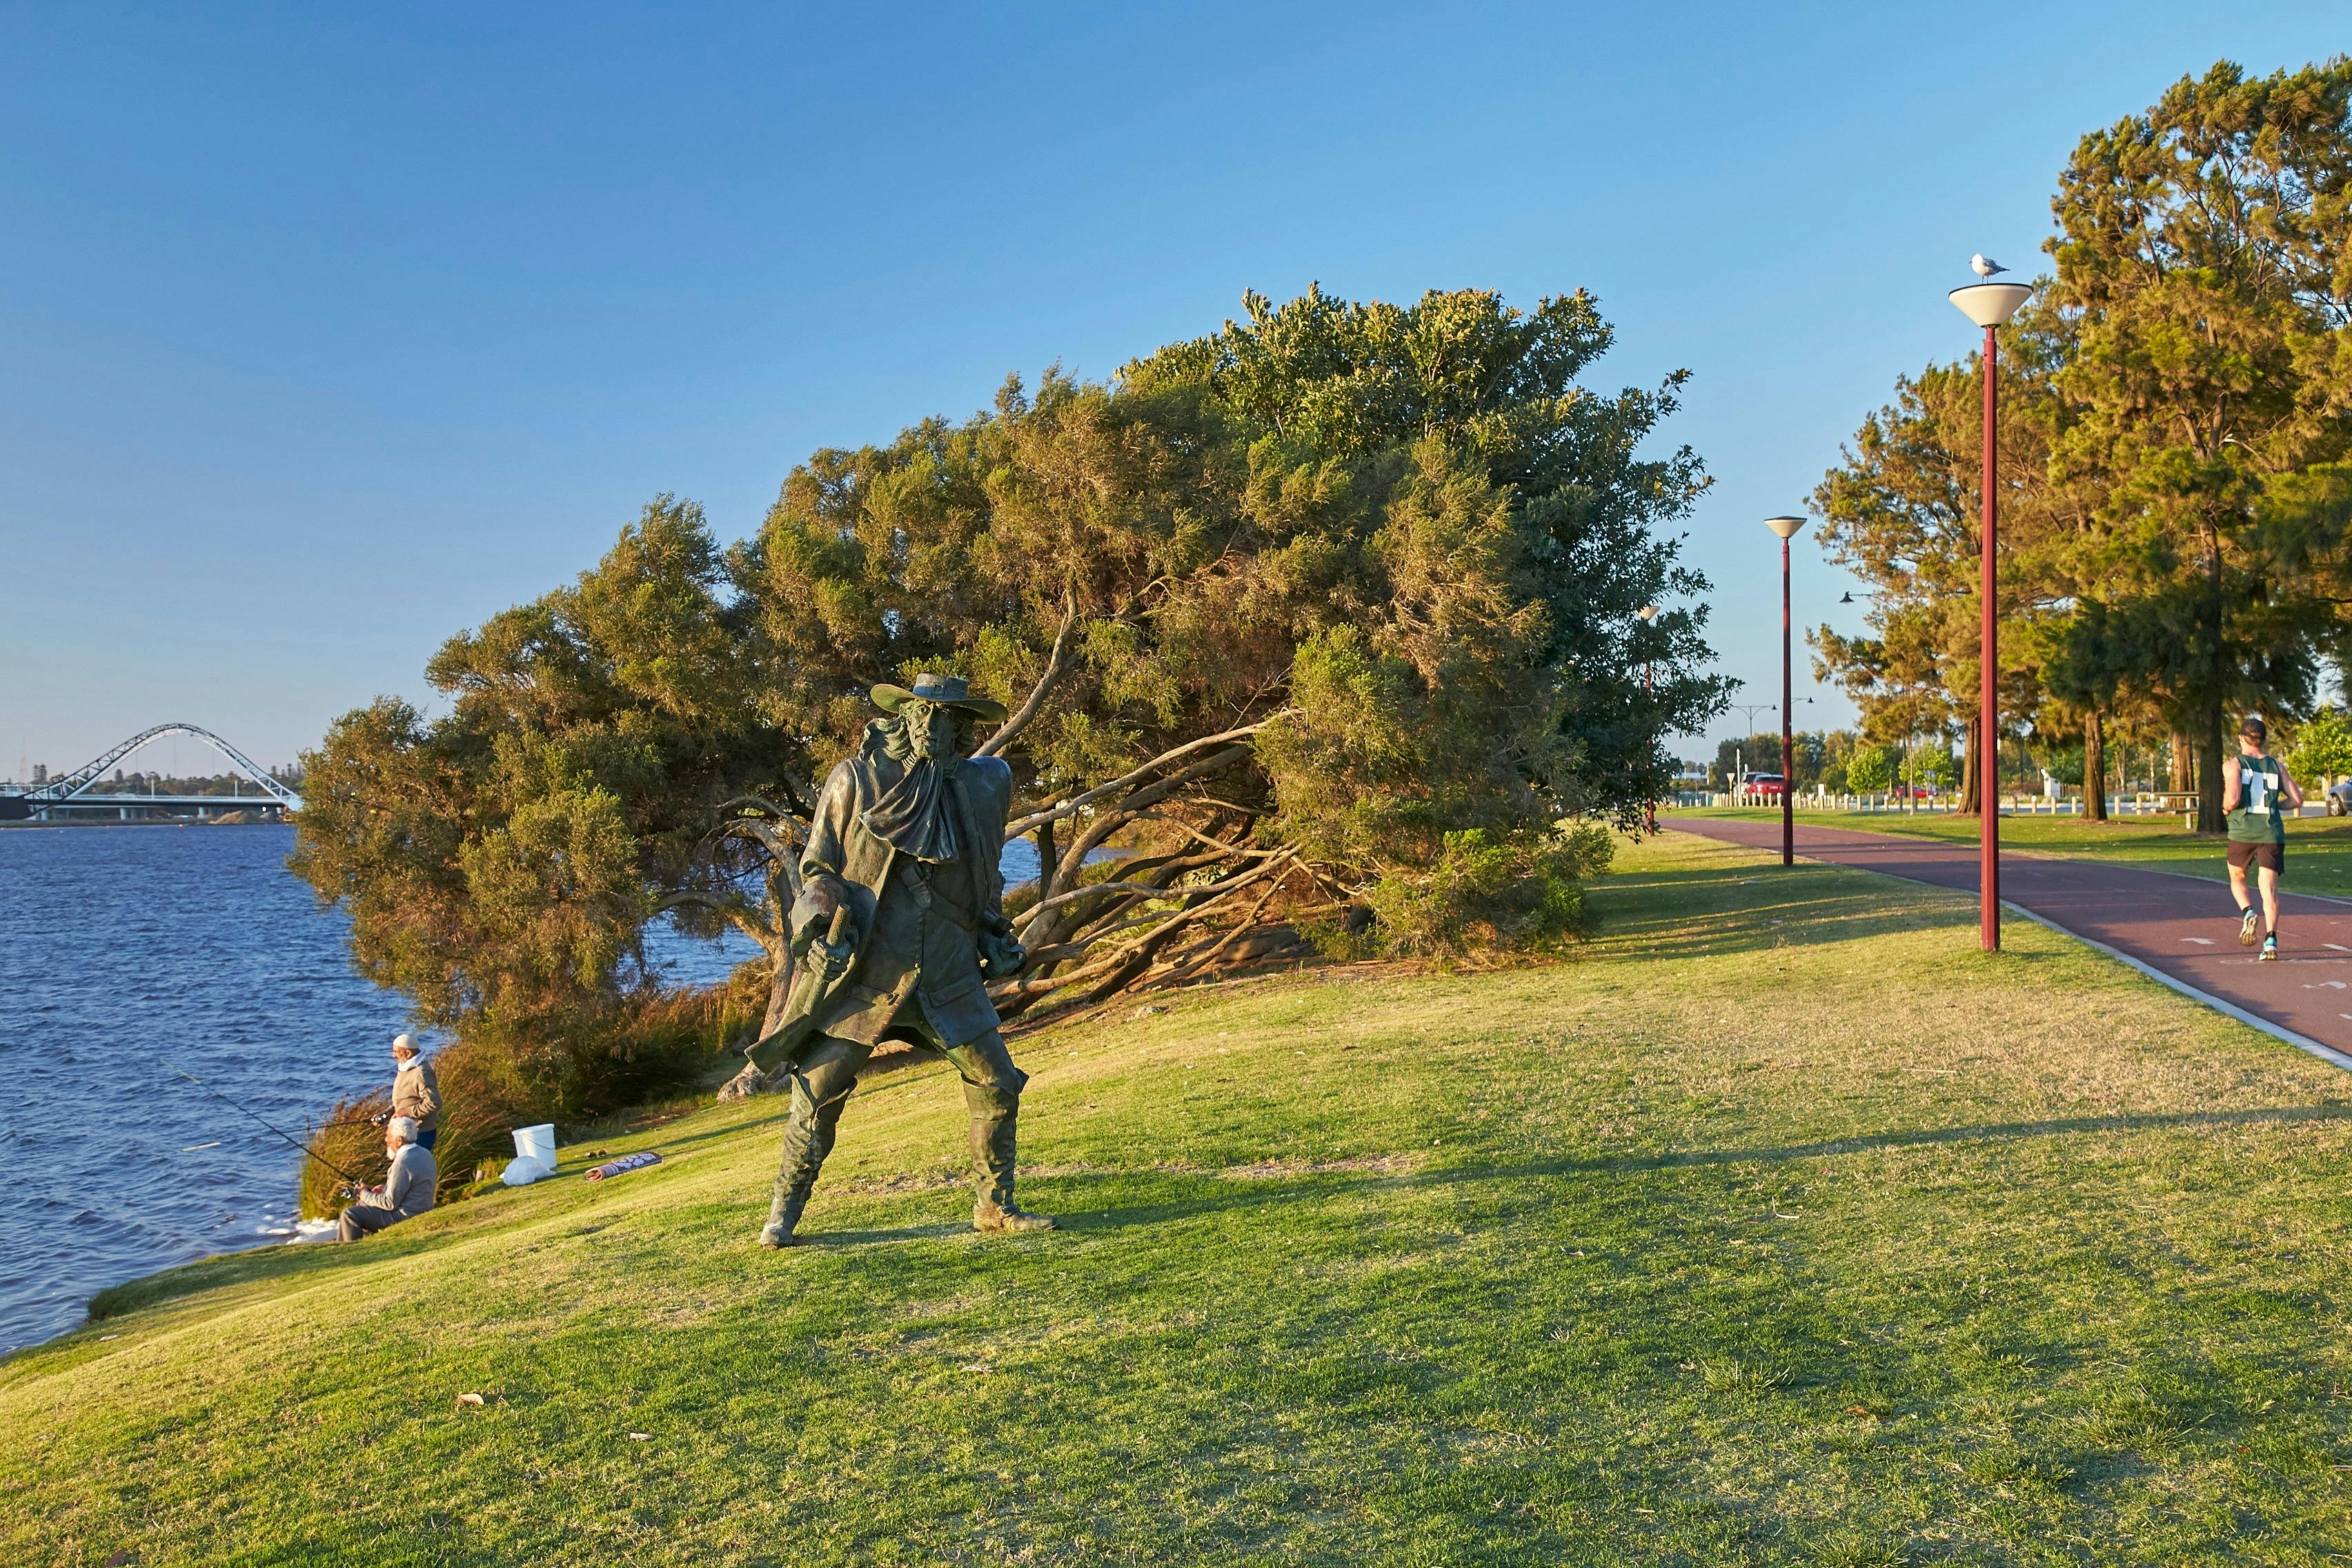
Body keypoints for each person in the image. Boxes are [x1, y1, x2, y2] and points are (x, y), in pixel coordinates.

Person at [747, 672, 1053, 1248]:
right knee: (816, 1092)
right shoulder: (856, 779)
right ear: (905, 717)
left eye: (946, 720)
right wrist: (815, 923)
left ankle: (994, 1206)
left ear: (964, 729)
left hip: (948, 970)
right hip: (870, 972)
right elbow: (816, 870)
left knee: (997, 1080)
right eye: (923, 715)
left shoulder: (987, 785)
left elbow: (983, 872)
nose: (933, 729)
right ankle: (782, 1215)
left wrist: (994, 930)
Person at [2224, 714, 2302, 962]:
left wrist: (2226, 808)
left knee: (2237, 878)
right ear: (2263, 740)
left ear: (2241, 739)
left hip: (2242, 831)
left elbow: (2233, 797)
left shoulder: (2234, 764)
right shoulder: (2276, 765)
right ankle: (2271, 941)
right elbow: (2297, 800)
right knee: (2269, 889)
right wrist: (2276, 806)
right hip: (2271, 832)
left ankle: (2248, 912)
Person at [336, 1115, 437, 1241]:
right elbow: (411, 1188)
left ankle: (348, 1252)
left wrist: (363, 1193)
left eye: (389, 1136)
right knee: (362, 1205)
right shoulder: (425, 1153)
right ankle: (364, 1243)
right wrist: (385, 1189)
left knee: (349, 1214)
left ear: (399, 1140)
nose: (386, 1140)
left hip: (405, 1215)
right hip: (422, 1208)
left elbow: (389, 1204)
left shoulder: (403, 1162)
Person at [383, 1033, 442, 1151]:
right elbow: (408, 1098)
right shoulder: (406, 1068)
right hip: (408, 1131)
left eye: (396, 1051)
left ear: (408, 1053)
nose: (393, 1055)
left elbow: (434, 1103)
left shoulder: (421, 1073)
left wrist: (406, 1112)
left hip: (420, 1133)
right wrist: (390, 1112)